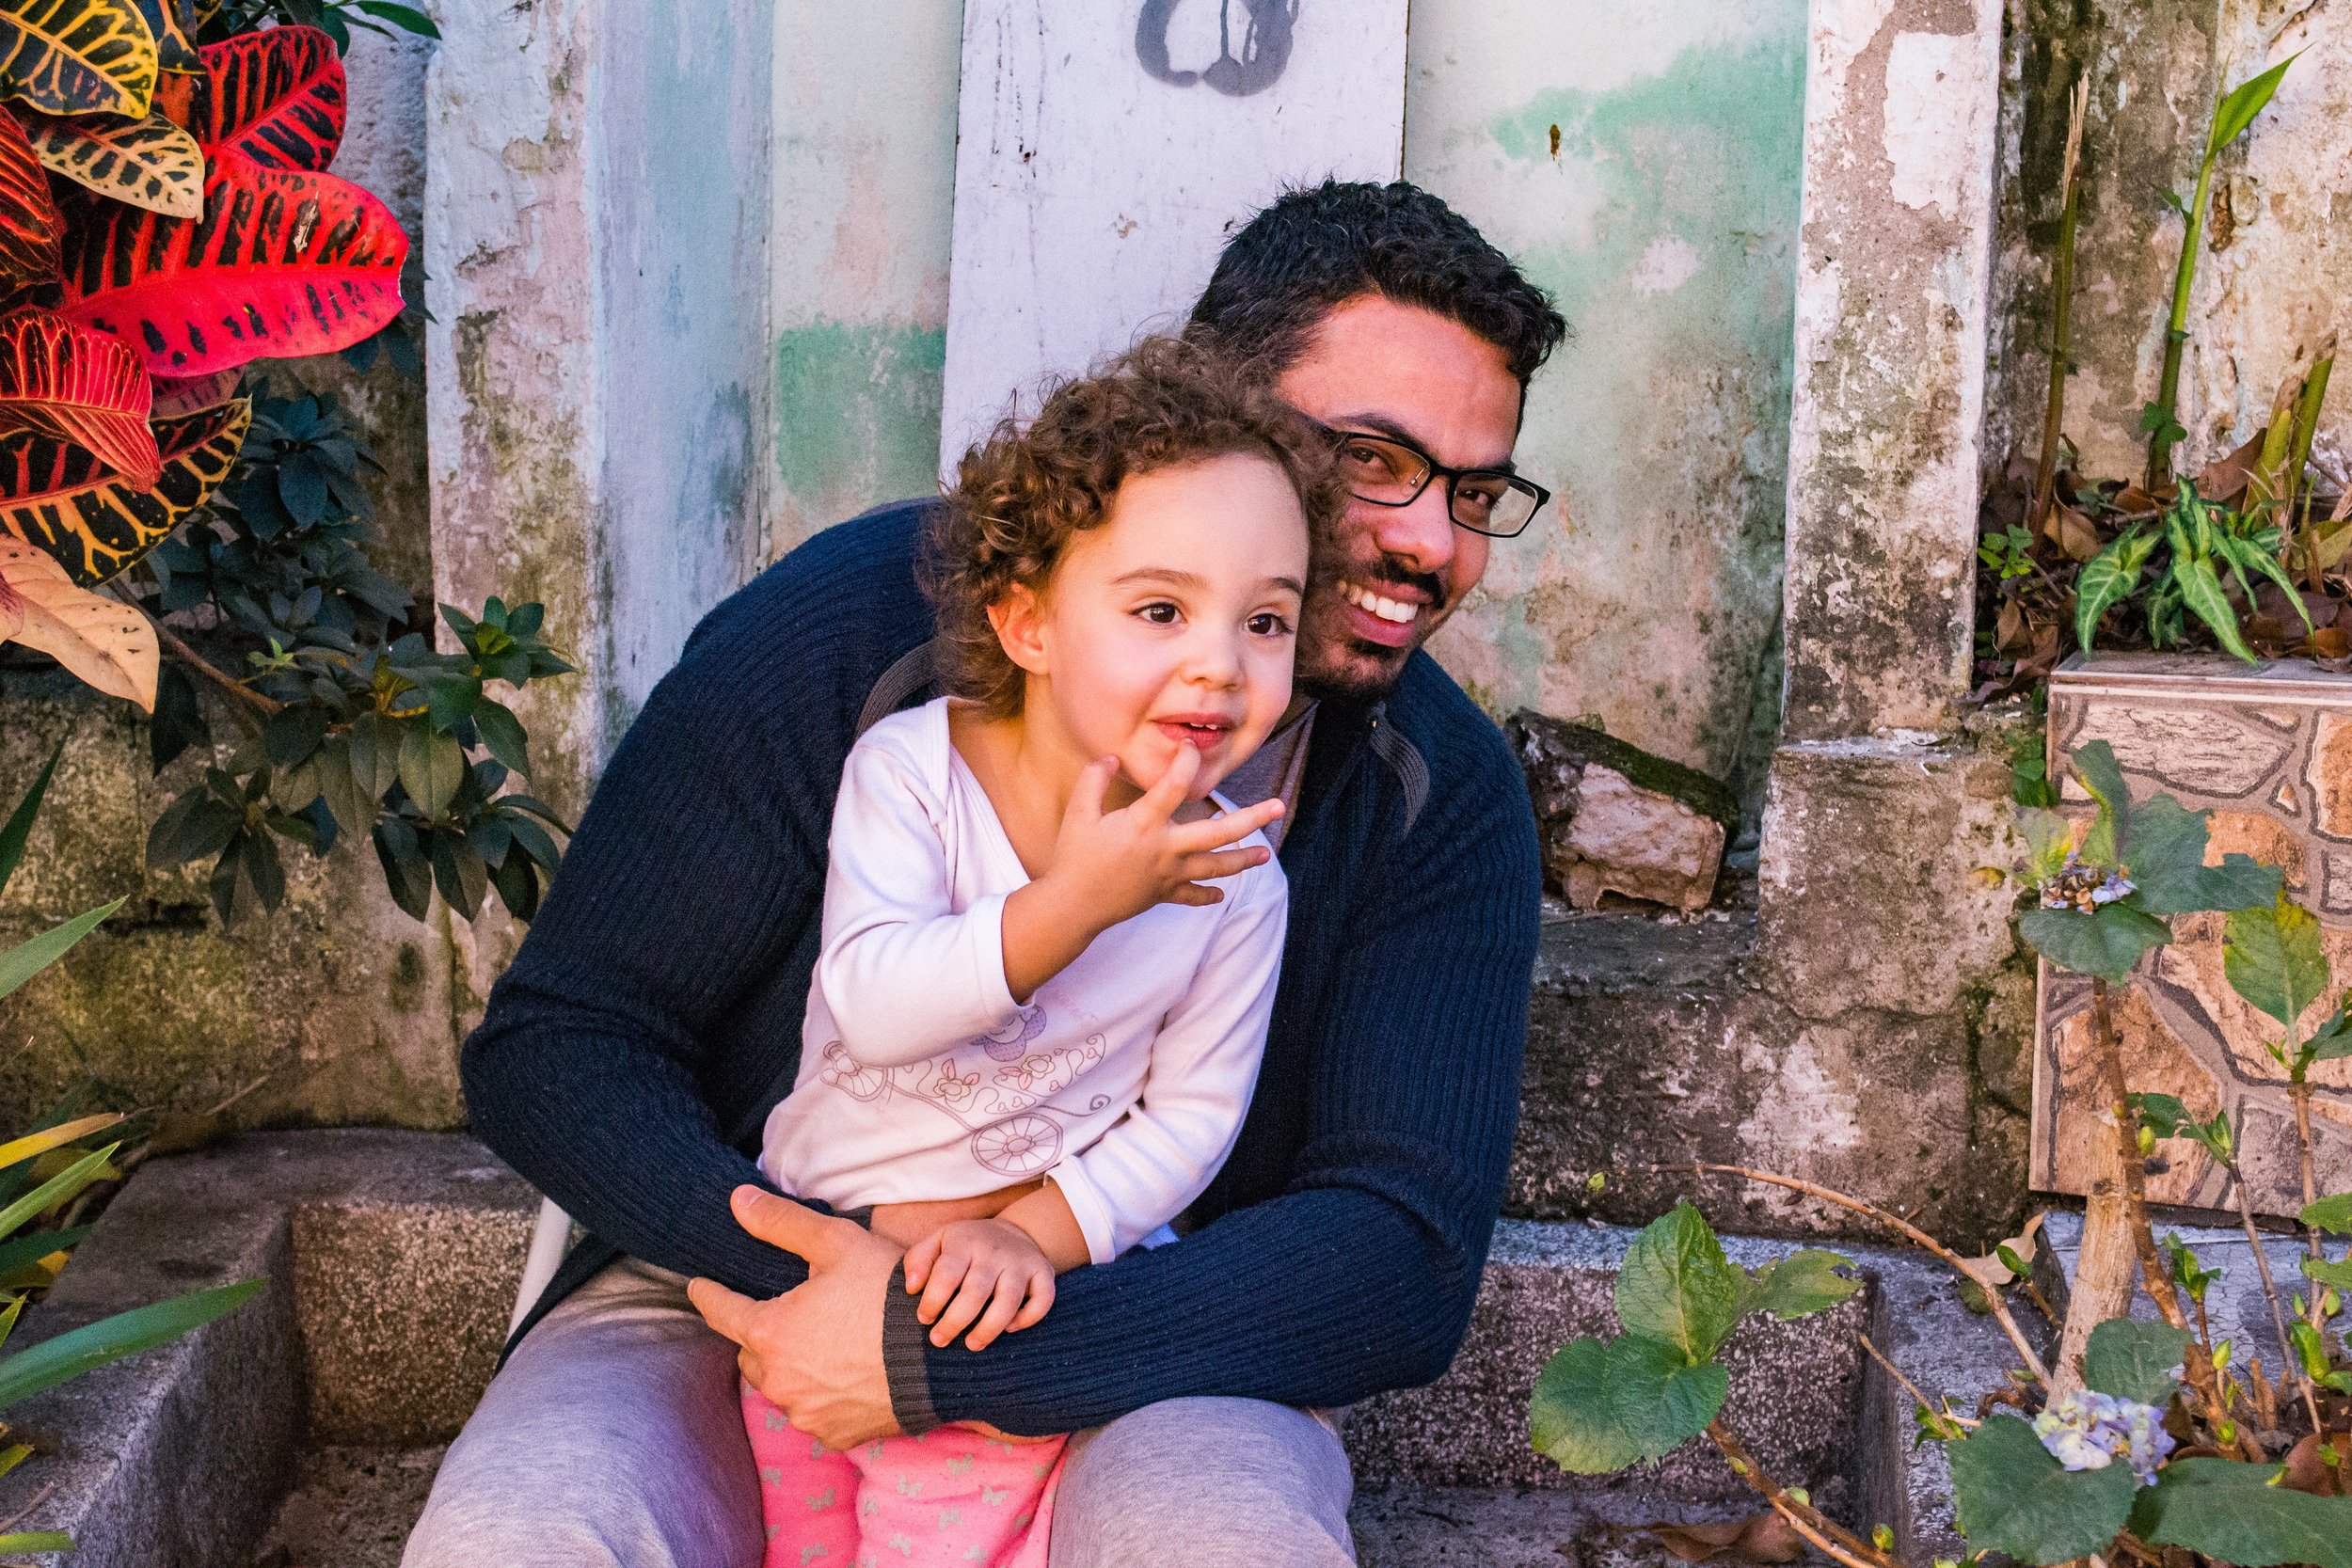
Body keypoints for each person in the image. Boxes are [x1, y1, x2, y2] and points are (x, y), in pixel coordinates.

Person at [405, 179, 1565, 1568]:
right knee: (527, 1541)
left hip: (1149, 1322)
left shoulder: (1431, 796)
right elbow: (565, 1044)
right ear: (1233, 423)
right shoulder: (859, 637)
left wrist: (941, 1346)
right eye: (1374, 460)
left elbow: (1400, 1254)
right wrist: (827, 1283)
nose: (1434, 543)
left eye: (1475, 491)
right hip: (724, 1272)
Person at [735, 340, 1337, 1568]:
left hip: (996, 1316)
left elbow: (1192, 1118)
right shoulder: (911, 774)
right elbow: (873, 1004)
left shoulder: (1236, 880)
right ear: (1027, 623)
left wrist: (1039, 1240)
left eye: (1265, 620)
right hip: (820, 1267)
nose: (1221, 661)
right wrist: (1078, 903)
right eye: (1161, 609)